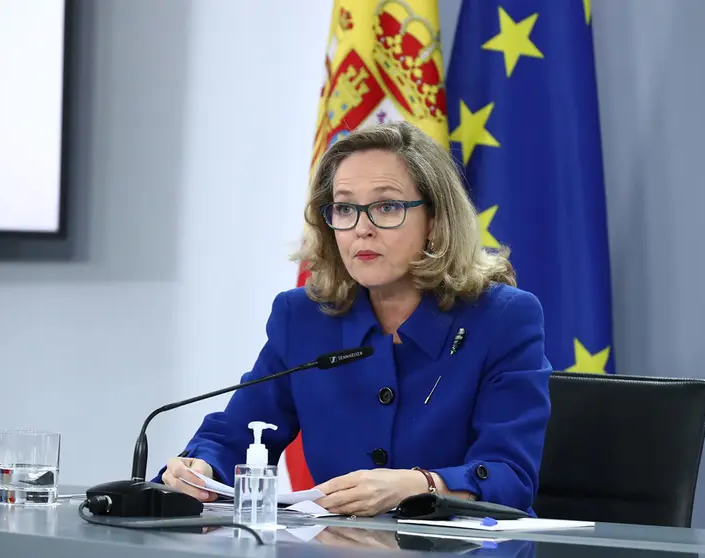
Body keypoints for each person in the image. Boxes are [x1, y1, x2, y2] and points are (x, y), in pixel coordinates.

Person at [156, 121, 552, 517]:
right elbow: (237, 434)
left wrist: (418, 485)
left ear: (435, 221)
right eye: (344, 208)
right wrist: (200, 467)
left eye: (387, 207)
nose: (362, 229)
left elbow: (510, 476)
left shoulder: (502, 318)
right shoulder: (304, 318)